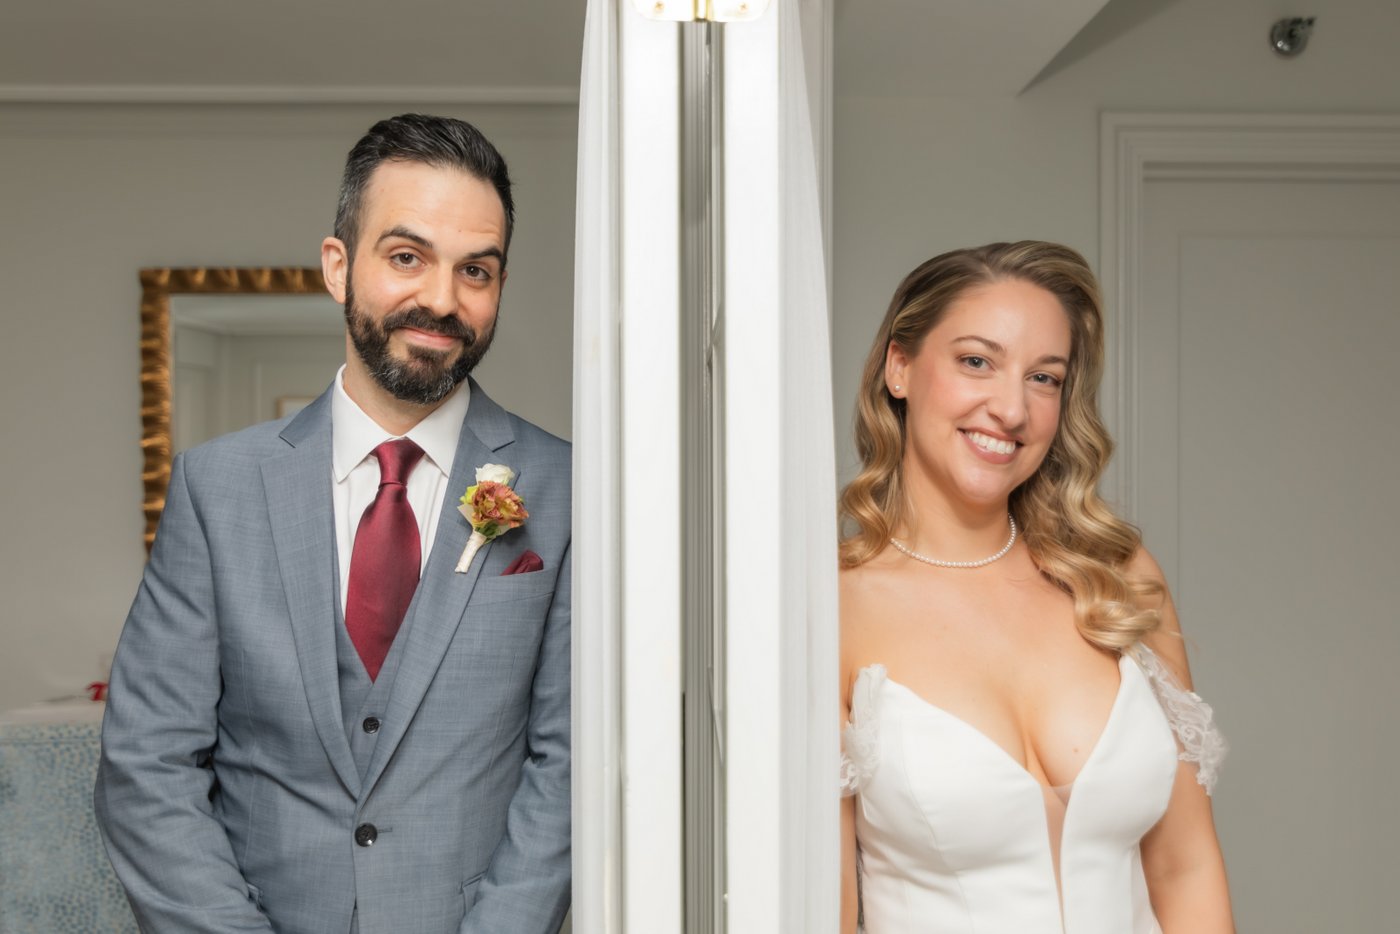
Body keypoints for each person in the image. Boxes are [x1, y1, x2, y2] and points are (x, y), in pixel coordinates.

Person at [95, 114, 571, 934]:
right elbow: (149, 766)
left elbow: (571, 769)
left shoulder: (568, 488)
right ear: (338, 265)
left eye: (477, 271)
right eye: (407, 257)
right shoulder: (218, 488)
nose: (441, 300)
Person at [838, 242, 1232, 933]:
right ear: (899, 367)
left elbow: (1186, 869)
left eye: (1044, 378)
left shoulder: (1117, 576)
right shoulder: (834, 605)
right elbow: (829, 908)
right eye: (976, 362)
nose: (1012, 410)